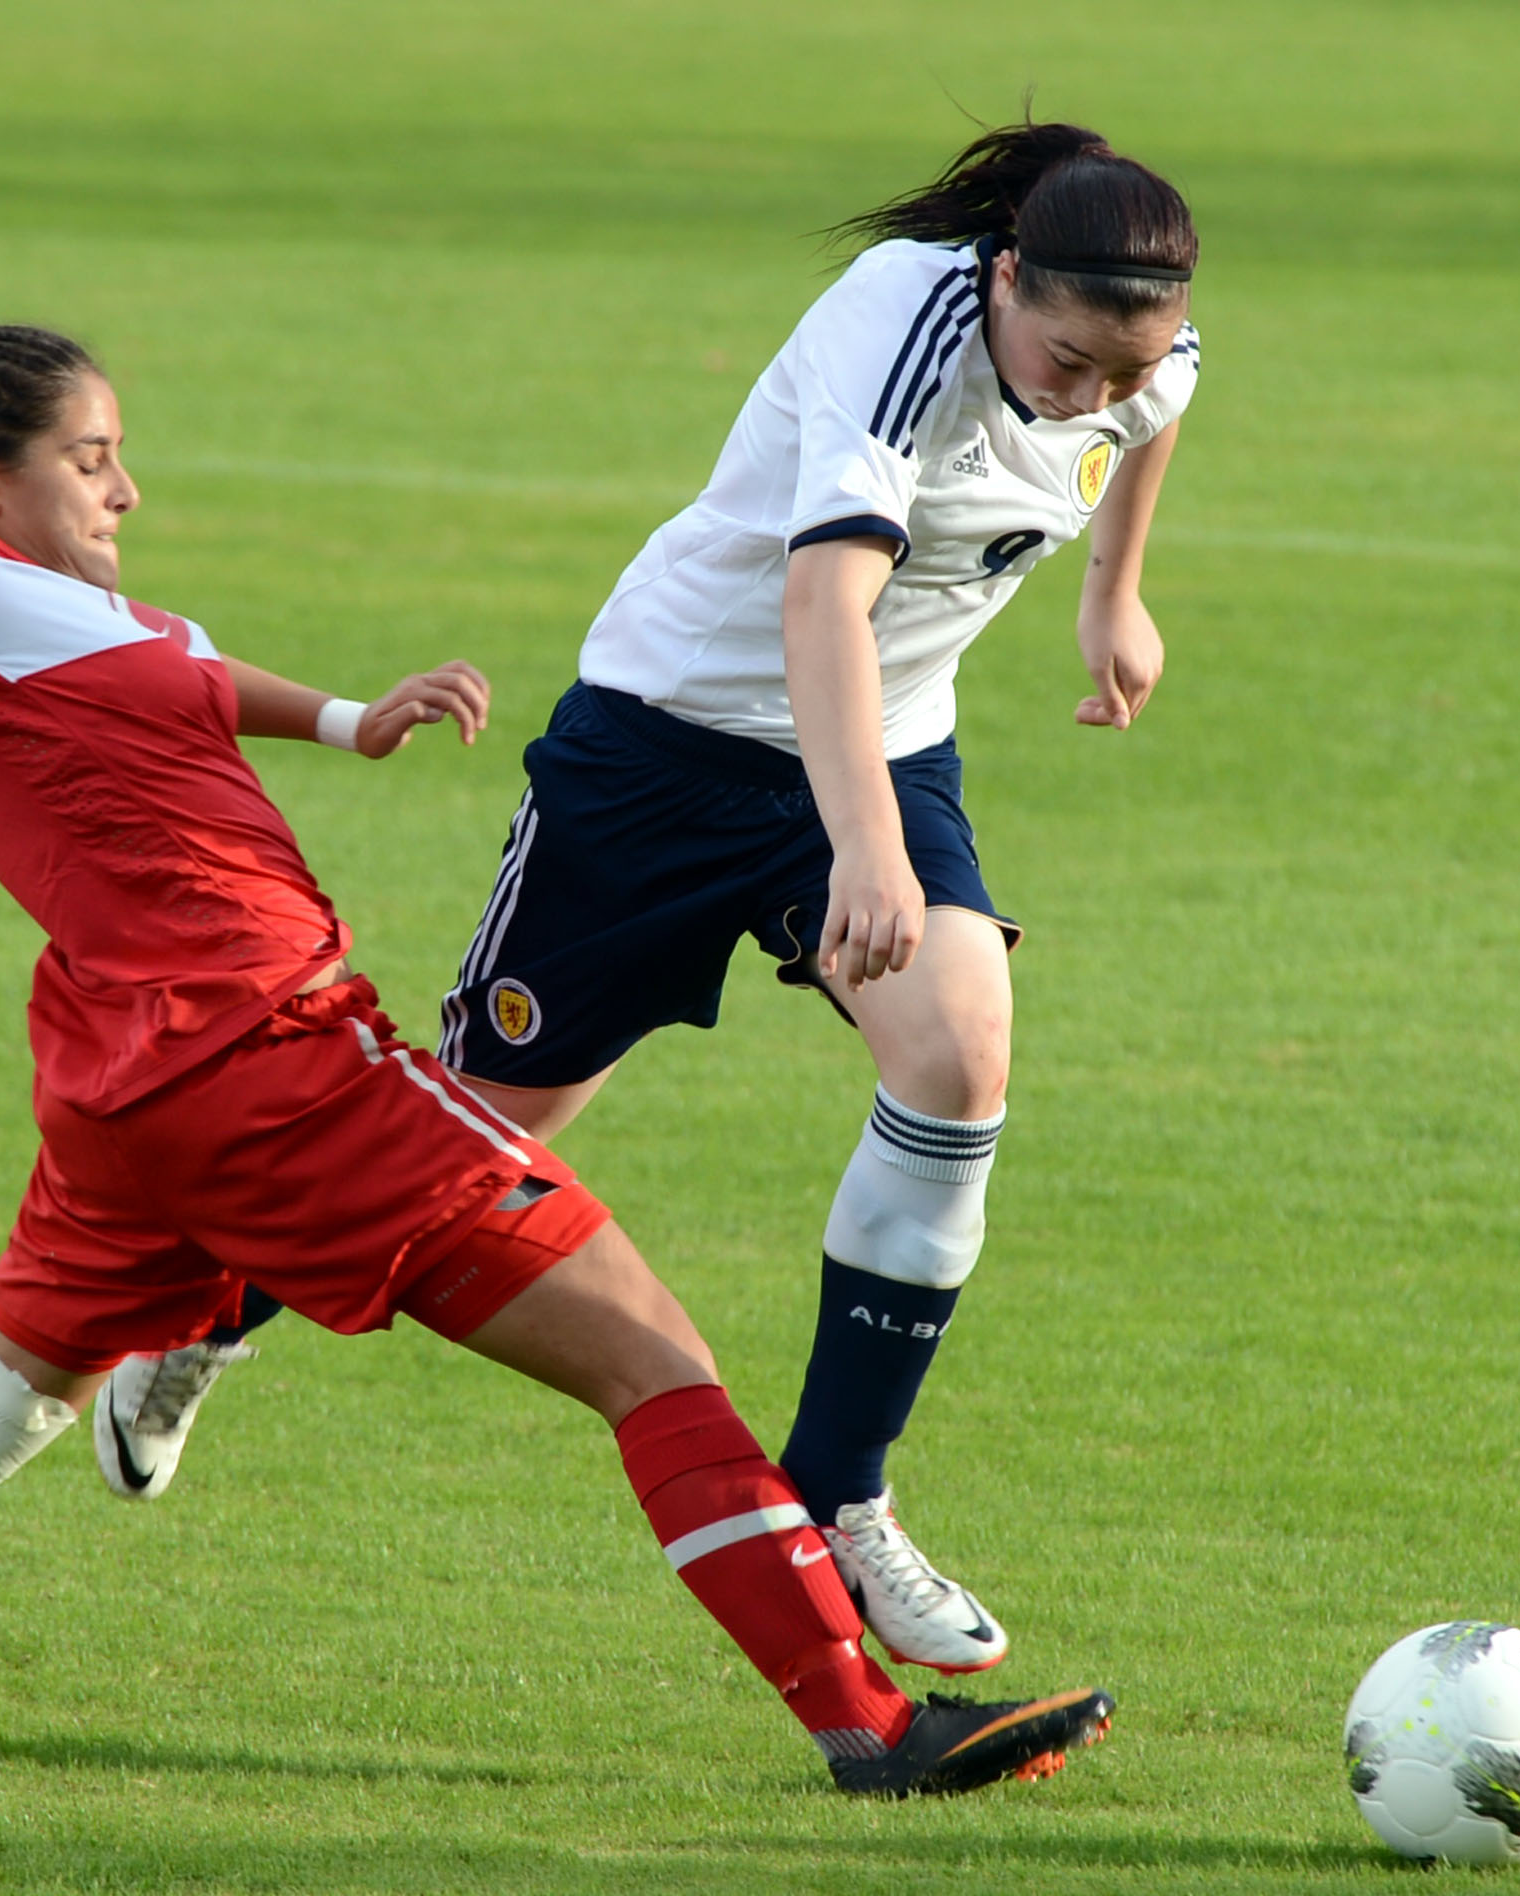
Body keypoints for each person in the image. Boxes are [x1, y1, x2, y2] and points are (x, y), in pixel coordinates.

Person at [0, 325, 1116, 1798]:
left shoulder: (81, 624)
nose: (124, 486)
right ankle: (867, 1730)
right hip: (273, 1067)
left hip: (124, 1105)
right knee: (657, 1367)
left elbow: (189, 676)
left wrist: (351, 718)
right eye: (92, 454)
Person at [430, 122, 1202, 1676]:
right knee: (479, 1131)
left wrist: (1115, 594)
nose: (1091, 397)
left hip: (882, 752)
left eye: (1123, 370)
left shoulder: (1138, 356)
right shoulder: (896, 327)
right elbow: (819, 600)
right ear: (1000, 282)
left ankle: (840, 1496)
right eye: (1064, 362)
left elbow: (1152, 423)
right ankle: (208, 1313)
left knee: (956, 1054)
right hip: (665, 740)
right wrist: (862, 854)